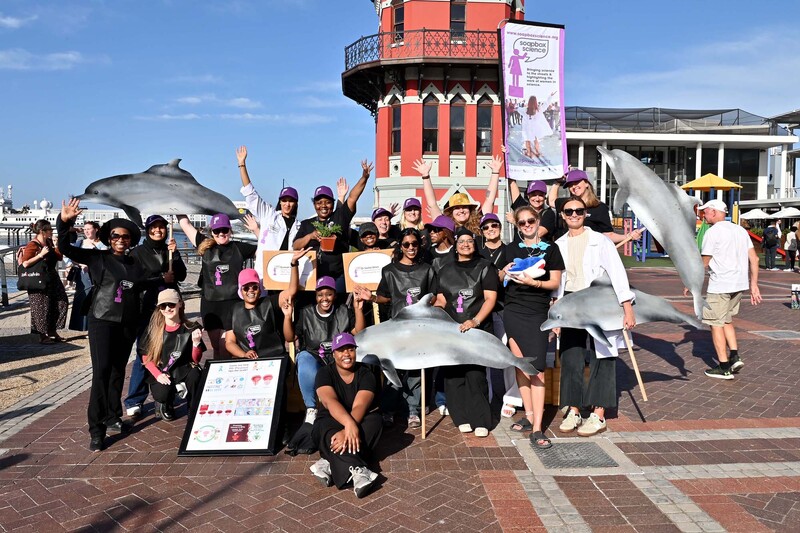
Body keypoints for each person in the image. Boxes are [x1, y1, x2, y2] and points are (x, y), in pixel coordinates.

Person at [57, 198, 146, 451]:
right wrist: (65, 222)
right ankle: (96, 429)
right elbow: (65, 247)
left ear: (131, 240)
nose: (120, 239)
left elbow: (145, 284)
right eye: (116, 236)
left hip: (126, 324)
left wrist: (166, 278)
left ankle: (112, 415)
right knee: (101, 373)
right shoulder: (98, 258)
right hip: (102, 321)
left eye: (126, 237)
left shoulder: (135, 264)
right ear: (109, 237)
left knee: (118, 372)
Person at [554, 196, 636, 437]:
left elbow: (617, 273)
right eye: (569, 211)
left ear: (585, 213)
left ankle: (598, 414)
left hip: (598, 301)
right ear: (562, 215)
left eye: (578, 210)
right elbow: (558, 282)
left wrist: (627, 306)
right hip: (571, 303)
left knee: (604, 354)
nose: (574, 215)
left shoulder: (600, 241)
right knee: (571, 355)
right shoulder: (558, 244)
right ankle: (575, 409)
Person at [355, 228, 436, 430]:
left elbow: (433, 297)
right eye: (406, 244)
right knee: (392, 367)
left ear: (419, 245)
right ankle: (389, 409)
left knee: (417, 368)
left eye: (414, 244)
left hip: (420, 327)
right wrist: (372, 297)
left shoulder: (427, 269)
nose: (411, 248)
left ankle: (413, 410)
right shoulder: (389, 271)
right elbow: (386, 297)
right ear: (400, 246)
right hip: (396, 328)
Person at [501, 206, 564, 448]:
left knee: (537, 370)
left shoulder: (552, 248)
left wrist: (533, 283)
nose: (527, 225)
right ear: (517, 227)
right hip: (513, 312)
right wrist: (502, 272)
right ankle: (528, 417)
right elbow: (500, 279)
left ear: (538, 221)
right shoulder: (511, 248)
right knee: (520, 366)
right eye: (522, 223)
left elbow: (555, 283)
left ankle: (538, 428)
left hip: (537, 313)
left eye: (531, 220)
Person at [434, 228, 499, 437]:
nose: (465, 244)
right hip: (452, 330)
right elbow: (443, 299)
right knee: (453, 375)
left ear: (474, 244)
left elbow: (490, 298)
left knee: (475, 375)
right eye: (461, 241)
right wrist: (431, 308)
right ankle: (460, 416)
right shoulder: (445, 269)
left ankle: (480, 419)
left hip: (477, 330)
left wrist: (475, 321)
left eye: (469, 241)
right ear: (456, 245)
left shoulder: (485, 267)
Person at [125, 215, 187, 418]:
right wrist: (160, 278)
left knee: (170, 349)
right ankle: (135, 399)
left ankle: (166, 393)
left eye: (161, 227)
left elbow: (182, 275)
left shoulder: (169, 250)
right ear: (147, 230)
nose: (158, 231)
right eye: (154, 228)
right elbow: (135, 281)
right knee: (145, 352)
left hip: (170, 308)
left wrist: (175, 255)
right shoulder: (138, 252)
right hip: (148, 308)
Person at [692, 199, 761, 379]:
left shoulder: (712, 232)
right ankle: (735, 356)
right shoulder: (740, 230)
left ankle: (723, 367)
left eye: (705, 212)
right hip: (739, 284)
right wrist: (754, 285)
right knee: (726, 320)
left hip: (720, 284)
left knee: (715, 324)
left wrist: (692, 284)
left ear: (713, 212)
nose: (703, 215)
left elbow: (704, 263)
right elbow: (755, 260)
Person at [283, 276, 366, 424]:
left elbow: (358, 333)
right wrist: (287, 317)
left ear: (334, 295)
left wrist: (358, 310)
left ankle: (347, 406)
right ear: (315, 296)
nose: (324, 298)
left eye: (328, 294)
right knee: (303, 358)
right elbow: (290, 338)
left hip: (337, 358)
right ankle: (311, 408)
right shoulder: (306, 312)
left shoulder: (343, 311)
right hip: (315, 356)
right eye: (320, 295)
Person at [309, 332, 382, 498]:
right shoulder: (324, 373)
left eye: (350, 349)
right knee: (323, 427)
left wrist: (349, 428)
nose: (346, 354)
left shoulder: (366, 373)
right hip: (332, 419)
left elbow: (361, 404)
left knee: (374, 422)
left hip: (360, 418)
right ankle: (359, 471)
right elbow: (330, 401)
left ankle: (328, 462)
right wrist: (348, 426)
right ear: (334, 353)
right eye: (341, 350)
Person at [178, 213, 257, 360]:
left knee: (226, 346)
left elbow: (265, 249)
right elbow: (185, 224)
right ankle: (218, 379)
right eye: (217, 231)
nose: (221, 233)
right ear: (212, 232)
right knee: (217, 349)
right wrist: (175, 201)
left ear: (230, 231)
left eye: (225, 230)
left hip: (233, 304)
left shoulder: (239, 247)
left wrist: (256, 229)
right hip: (211, 304)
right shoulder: (205, 245)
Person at [293, 161, 373, 289]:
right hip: (312, 276)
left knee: (340, 307)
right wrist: (310, 236)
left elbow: (353, 197)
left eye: (327, 202)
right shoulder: (306, 224)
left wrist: (364, 177)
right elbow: (295, 246)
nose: (323, 206)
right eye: (319, 202)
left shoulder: (340, 217)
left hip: (338, 277)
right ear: (314, 205)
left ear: (333, 203)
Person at [237, 145, 301, 278]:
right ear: (280, 202)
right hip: (264, 274)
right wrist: (242, 165)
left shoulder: (299, 227)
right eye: (284, 200)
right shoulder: (269, 214)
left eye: (291, 201)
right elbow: (250, 192)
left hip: (287, 276)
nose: (287, 204)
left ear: (295, 204)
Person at [141, 289, 204, 421]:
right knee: (163, 392)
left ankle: (193, 407)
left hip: (184, 368)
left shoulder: (190, 327)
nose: (167, 308)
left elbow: (195, 360)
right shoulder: (153, 329)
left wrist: (196, 343)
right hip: (162, 369)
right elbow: (146, 356)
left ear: (180, 304)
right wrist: (158, 375)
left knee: (196, 376)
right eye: (163, 306)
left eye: (171, 304)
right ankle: (165, 404)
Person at [412, 155, 503, 234]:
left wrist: (495, 172)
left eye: (464, 207)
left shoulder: (479, 222)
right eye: (457, 208)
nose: (461, 210)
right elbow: (432, 204)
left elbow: (489, 199)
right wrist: (425, 176)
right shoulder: (445, 224)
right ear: (451, 212)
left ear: (470, 210)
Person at [548, 169, 642, 244]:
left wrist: (628, 236)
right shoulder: (566, 203)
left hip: (589, 254)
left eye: (576, 182)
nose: (573, 186)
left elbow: (608, 234)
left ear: (586, 183)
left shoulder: (600, 207)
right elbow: (551, 201)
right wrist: (557, 182)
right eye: (570, 185)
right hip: (566, 250)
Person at [20, 219, 69, 344]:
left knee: (61, 302)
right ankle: (43, 335)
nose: (52, 231)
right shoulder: (33, 244)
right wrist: (41, 255)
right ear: (42, 231)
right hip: (38, 278)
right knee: (41, 307)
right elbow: (25, 263)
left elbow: (59, 257)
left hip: (51, 277)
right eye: (50, 230)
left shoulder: (48, 242)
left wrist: (56, 244)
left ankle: (52, 330)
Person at [225, 268, 287, 360]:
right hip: (247, 359)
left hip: (273, 356)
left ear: (260, 289)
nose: (251, 291)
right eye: (246, 288)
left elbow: (291, 291)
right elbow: (229, 342)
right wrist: (244, 354)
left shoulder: (270, 302)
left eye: (254, 287)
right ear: (241, 291)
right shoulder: (234, 310)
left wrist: (294, 264)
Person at [68, 221, 107, 332]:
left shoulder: (102, 244)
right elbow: (72, 257)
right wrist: (81, 264)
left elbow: (104, 258)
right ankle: (81, 326)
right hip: (82, 275)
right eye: (85, 229)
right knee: (82, 297)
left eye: (89, 229)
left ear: (96, 229)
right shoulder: (80, 243)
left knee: (96, 298)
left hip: (97, 275)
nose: (86, 231)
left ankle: (94, 326)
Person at [521, 93, 555, 159]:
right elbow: (546, 104)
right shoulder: (539, 109)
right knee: (535, 140)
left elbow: (517, 109)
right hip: (535, 128)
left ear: (529, 102)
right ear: (536, 102)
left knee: (527, 140)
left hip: (527, 128)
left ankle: (528, 152)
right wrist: (550, 96)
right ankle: (537, 152)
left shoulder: (525, 110)